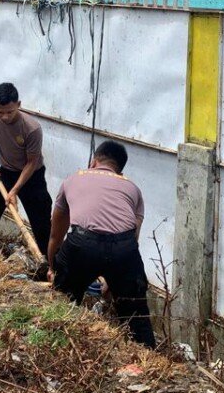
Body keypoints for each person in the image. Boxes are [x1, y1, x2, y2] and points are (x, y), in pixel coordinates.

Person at [48, 140, 155, 348]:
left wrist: (54, 268)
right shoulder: (133, 189)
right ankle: (150, 359)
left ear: (93, 162)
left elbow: (56, 233)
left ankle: (57, 347)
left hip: (81, 244)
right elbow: (132, 239)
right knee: (137, 318)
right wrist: (114, 281)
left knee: (63, 303)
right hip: (124, 249)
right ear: (120, 171)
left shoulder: (73, 179)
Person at [0, 82, 52, 254]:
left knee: (42, 222)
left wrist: (14, 190)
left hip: (32, 176)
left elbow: (32, 162)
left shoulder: (32, 128)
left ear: (19, 104)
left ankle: (48, 260)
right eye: (0, 112)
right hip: (6, 171)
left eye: (10, 112)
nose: (5, 117)